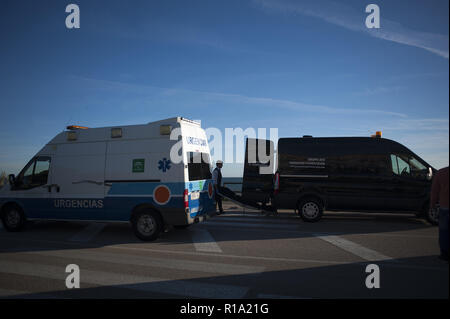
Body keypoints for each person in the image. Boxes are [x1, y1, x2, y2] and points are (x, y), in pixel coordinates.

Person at [431, 166, 449, 262]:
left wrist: (432, 205)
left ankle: (445, 254)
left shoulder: (441, 172)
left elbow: (435, 191)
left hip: (445, 207)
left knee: (444, 232)